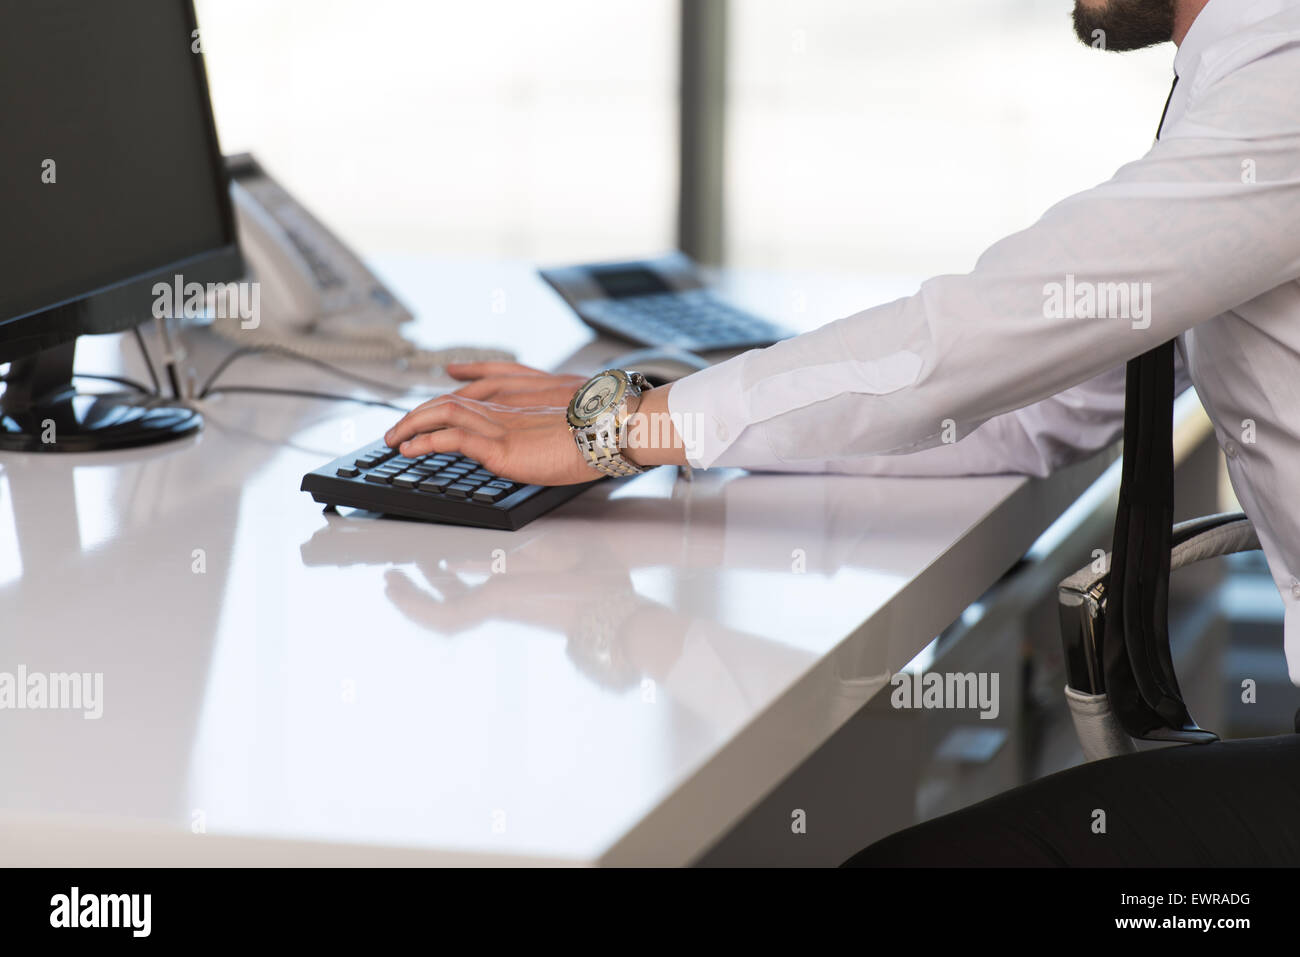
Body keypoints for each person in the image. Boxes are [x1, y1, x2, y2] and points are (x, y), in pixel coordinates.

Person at [385, 0, 1300, 864]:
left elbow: (956, 349)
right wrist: (667, 412)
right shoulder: (1240, 79)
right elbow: (1030, 404)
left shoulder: (1280, 82)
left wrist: (619, 430)